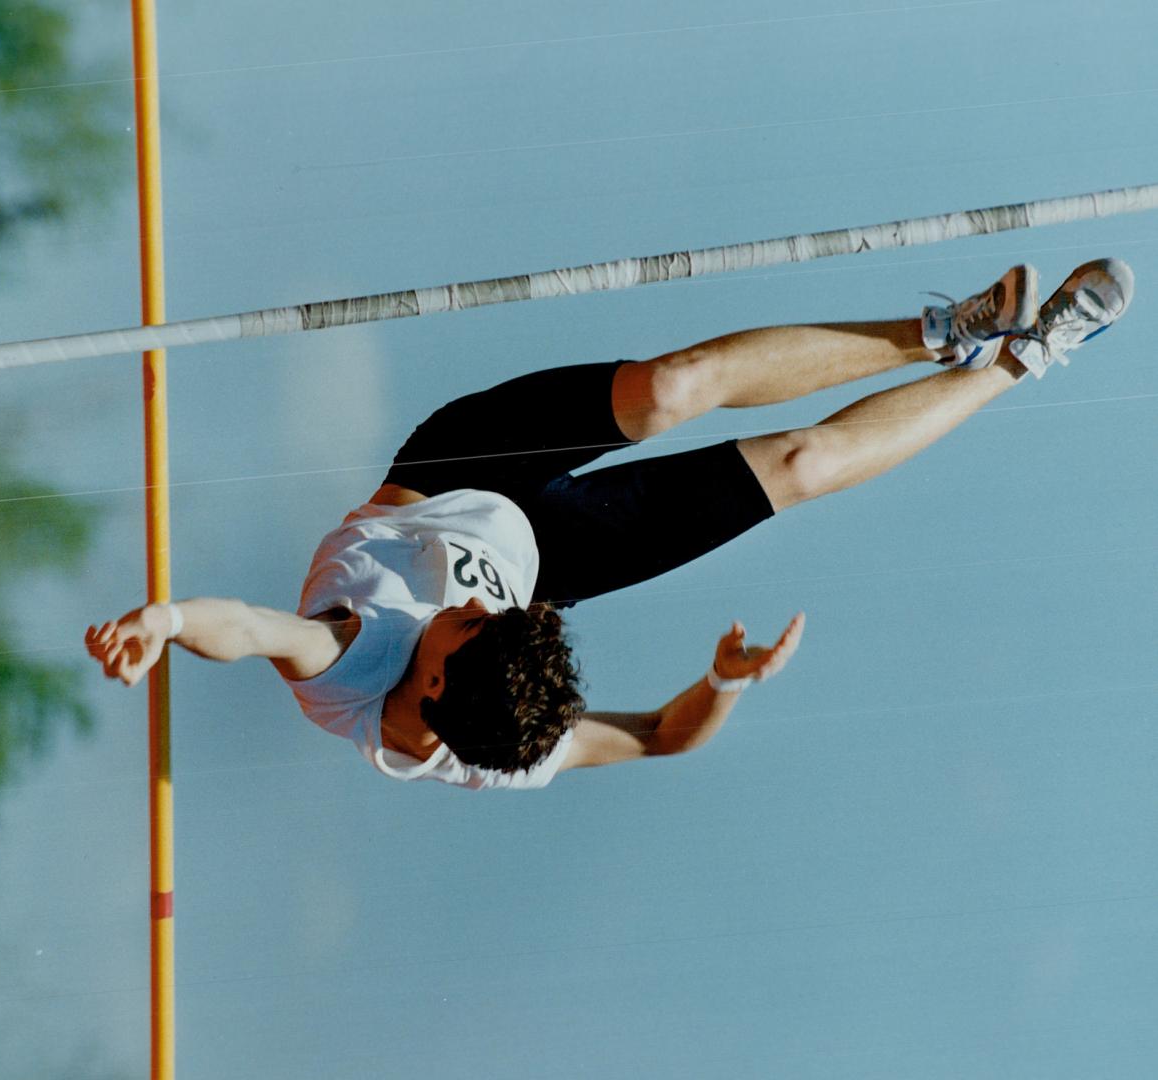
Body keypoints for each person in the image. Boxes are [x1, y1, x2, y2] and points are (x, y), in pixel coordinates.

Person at [86, 258, 1134, 790]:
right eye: (475, 615)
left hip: (453, 471)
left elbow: (253, 630)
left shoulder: (355, 672)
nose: (461, 603)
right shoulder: (513, 740)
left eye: (463, 624)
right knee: (800, 463)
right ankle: (1013, 353)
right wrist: (722, 682)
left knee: (669, 388)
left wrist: (169, 621)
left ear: (430, 676)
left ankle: (937, 329)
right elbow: (659, 739)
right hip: (547, 557)